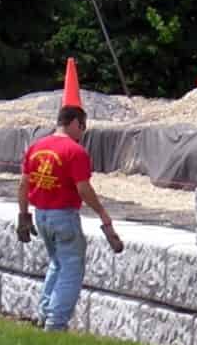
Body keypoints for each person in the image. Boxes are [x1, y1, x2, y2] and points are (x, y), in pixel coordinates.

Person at [17, 105, 124, 331]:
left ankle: (44, 314)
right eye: (82, 127)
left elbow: (24, 184)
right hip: (63, 216)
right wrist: (103, 214)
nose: (82, 132)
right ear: (75, 122)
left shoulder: (36, 147)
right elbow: (83, 188)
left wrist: (23, 214)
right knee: (71, 269)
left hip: (41, 215)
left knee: (57, 264)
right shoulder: (75, 152)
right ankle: (56, 324)